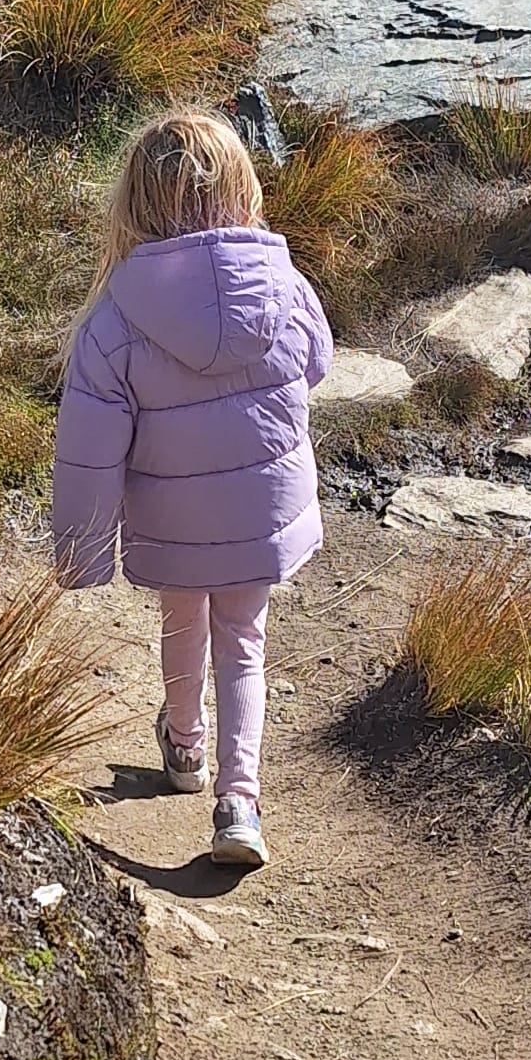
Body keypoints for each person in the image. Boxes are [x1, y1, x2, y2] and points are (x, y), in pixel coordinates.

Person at [51, 108, 333, 872]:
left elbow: (88, 448)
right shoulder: (286, 285)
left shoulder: (115, 320)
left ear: (136, 205)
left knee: (182, 617)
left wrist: (81, 553)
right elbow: (318, 363)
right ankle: (239, 803)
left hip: (172, 517)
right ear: (243, 192)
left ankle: (184, 748)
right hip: (259, 509)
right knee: (243, 641)